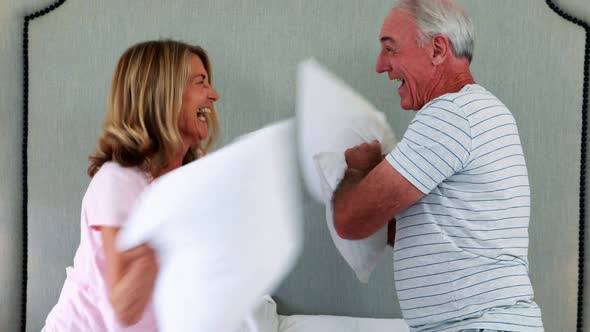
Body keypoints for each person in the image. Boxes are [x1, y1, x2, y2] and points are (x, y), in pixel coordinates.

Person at [332, 1, 544, 331]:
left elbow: (351, 221)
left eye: (390, 49)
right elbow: (417, 230)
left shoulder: (450, 114)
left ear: (437, 48)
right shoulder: (480, 110)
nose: (380, 66)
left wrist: (359, 170)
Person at [43, 39, 220, 331]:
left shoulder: (186, 183)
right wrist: (159, 246)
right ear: (163, 95)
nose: (213, 95)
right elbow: (124, 311)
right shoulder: (118, 180)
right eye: (200, 82)